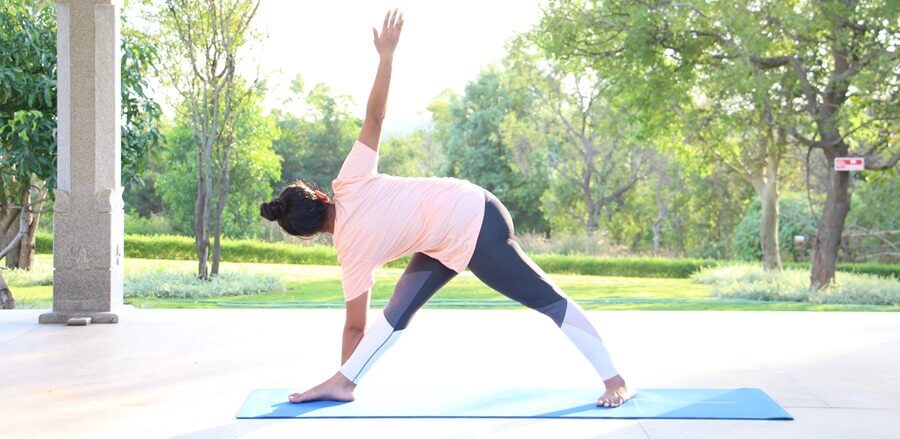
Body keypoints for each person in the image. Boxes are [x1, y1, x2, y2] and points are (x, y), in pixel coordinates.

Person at [259, 9, 632, 408]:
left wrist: (345, 364)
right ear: (318, 197)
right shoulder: (348, 181)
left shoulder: (350, 252)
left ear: (307, 233)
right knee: (396, 314)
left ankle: (616, 381)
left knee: (544, 297)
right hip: (446, 230)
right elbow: (376, 116)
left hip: (475, 222)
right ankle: (344, 384)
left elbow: (354, 328)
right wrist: (386, 57)